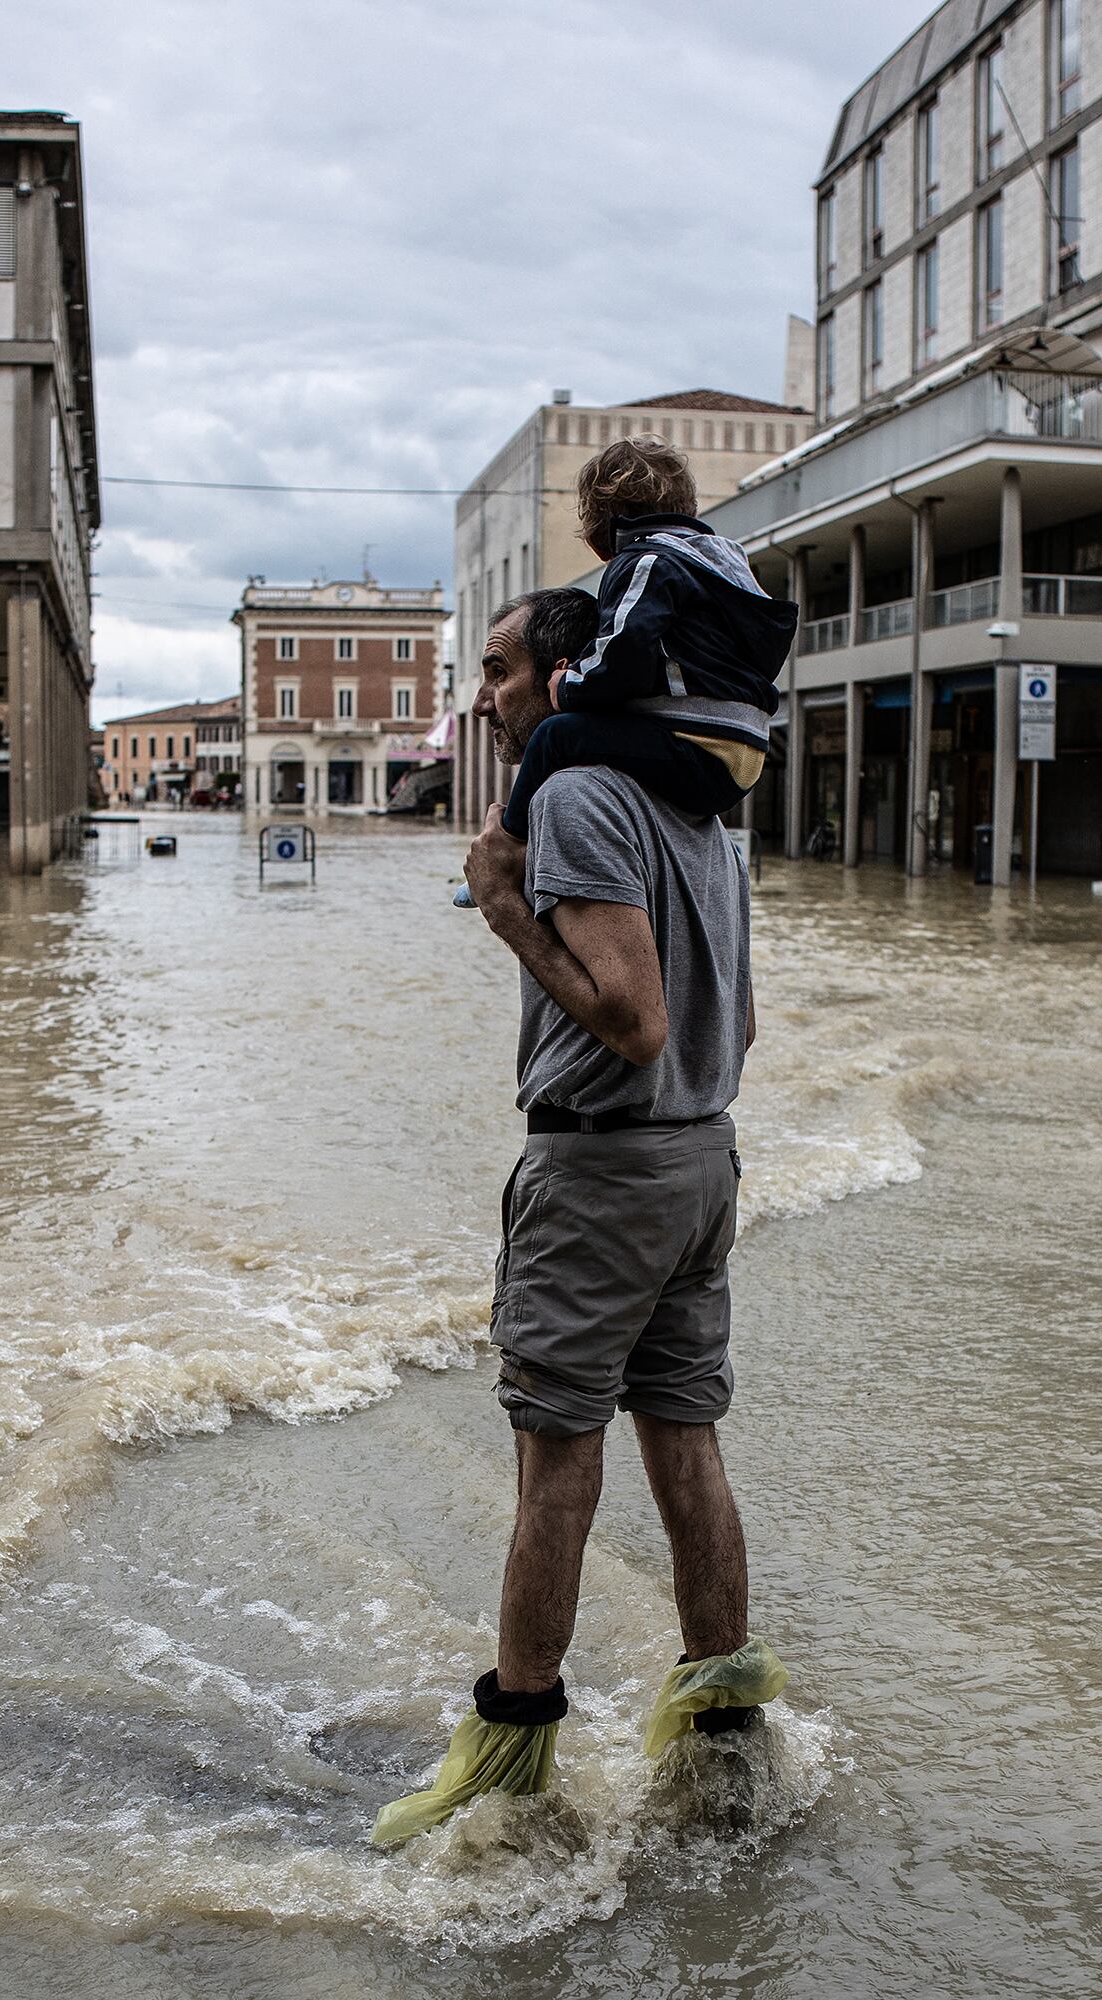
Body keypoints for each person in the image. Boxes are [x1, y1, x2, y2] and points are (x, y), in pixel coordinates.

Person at [372, 585, 786, 1848]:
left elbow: (631, 1014)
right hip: (701, 1157)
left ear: (563, 669)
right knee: (687, 1445)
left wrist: (504, 908)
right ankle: (725, 1740)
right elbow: (727, 1020)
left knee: (558, 1471)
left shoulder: (576, 794)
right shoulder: (699, 802)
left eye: (498, 667)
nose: (483, 694)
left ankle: (508, 1774)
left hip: (603, 1173)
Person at [499, 437, 795, 840]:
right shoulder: (726, 562)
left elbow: (624, 653)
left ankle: (509, 843)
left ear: (606, 518)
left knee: (555, 735)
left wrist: (567, 685)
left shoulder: (645, 561)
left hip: (696, 747)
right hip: (747, 755)